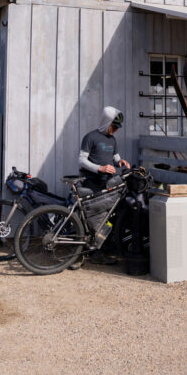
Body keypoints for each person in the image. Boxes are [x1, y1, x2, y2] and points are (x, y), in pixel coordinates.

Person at [77, 106, 130, 266]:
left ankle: (101, 247)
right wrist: (99, 168)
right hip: (91, 183)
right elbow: (81, 160)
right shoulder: (91, 137)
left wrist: (121, 162)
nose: (115, 130)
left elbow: (116, 158)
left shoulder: (112, 140)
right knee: (95, 217)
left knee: (107, 215)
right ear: (107, 122)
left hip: (107, 185)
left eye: (117, 128)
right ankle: (93, 250)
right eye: (113, 126)